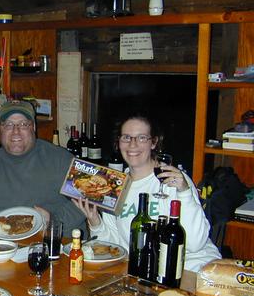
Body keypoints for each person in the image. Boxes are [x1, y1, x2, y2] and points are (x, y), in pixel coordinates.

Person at [75, 114, 221, 272]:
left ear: (154, 142)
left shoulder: (173, 180)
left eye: (142, 138)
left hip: (193, 268)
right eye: (126, 137)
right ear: (118, 142)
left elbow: (195, 243)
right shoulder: (114, 185)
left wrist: (184, 192)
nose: (133, 145)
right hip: (147, 272)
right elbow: (116, 249)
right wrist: (95, 221)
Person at [0, 101, 86, 237]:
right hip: (6, 246)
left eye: (23, 124)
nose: (16, 131)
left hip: (57, 244)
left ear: (33, 127)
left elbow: (89, 201)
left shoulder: (61, 159)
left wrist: (53, 221)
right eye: (9, 125)